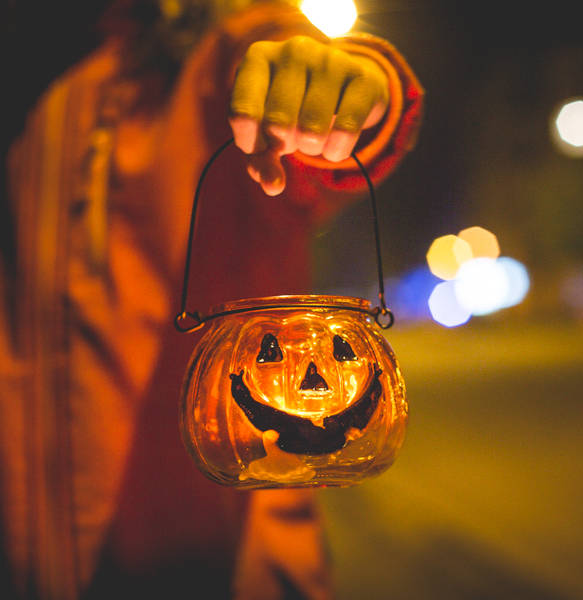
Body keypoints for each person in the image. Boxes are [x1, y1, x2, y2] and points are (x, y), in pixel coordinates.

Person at [0, 0, 424, 598]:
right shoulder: (56, 95)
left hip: (226, 560)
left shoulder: (226, 54)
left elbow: (291, 79)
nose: (307, 380)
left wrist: (341, 87)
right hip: (37, 555)